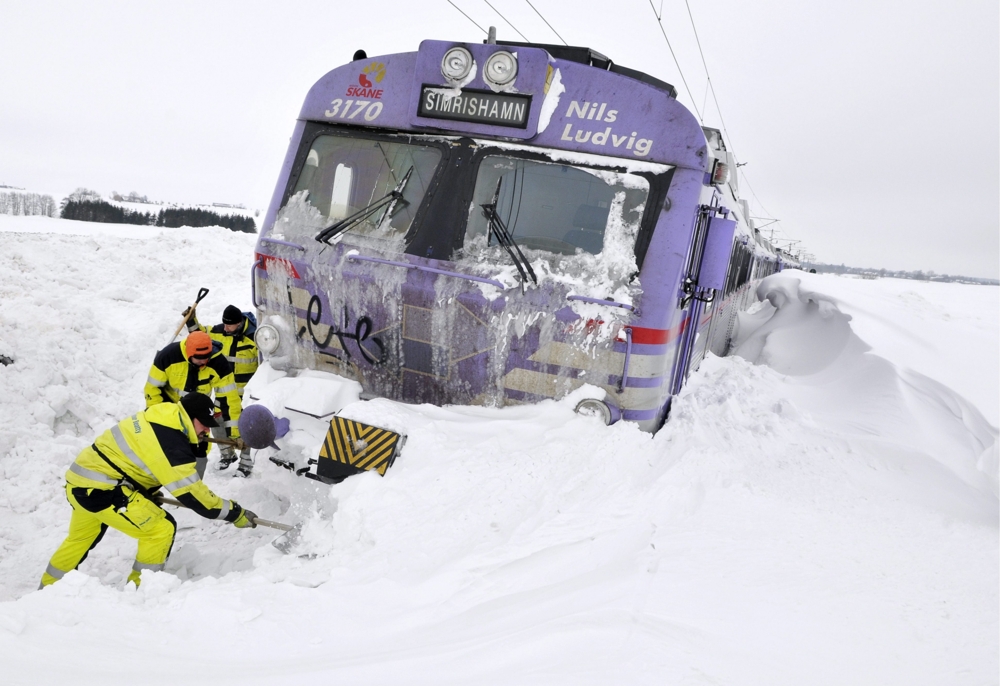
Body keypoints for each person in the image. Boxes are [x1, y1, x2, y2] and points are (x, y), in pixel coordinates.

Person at [40, 393, 257, 590]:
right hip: (102, 490)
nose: (207, 431)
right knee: (160, 529)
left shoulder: (162, 414)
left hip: (80, 483)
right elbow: (194, 495)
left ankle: (48, 589)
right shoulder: (172, 443)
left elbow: (137, 458)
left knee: (80, 539)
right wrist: (235, 513)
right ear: (189, 416)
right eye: (204, 424)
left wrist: (142, 492)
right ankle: (140, 592)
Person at [143, 330, 243, 477]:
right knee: (167, 448)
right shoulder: (168, 356)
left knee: (199, 450)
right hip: (171, 410)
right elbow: (152, 390)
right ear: (189, 354)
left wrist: (234, 433)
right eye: (199, 359)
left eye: (206, 357)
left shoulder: (219, 364)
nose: (204, 362)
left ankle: (195, 486)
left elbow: (229, 399)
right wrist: (159, 418)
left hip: (198, 414)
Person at [185, 304, 259, 476]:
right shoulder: (219, 331)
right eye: (224, 324)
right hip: (223, 389)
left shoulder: (254, 338)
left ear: (239, 323)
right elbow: (200, 337)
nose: (225, 328)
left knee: (245, 426)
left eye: (229, 325)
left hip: (245, 394)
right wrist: (191, 321)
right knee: (216, 420)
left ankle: (246, 463)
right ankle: (227, 454)